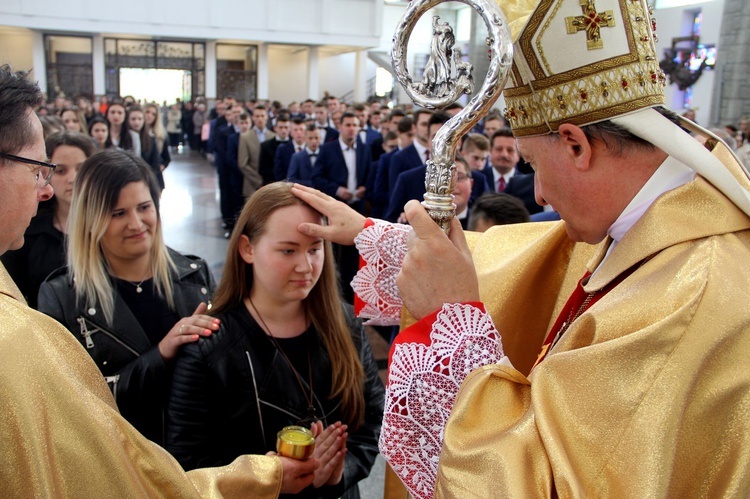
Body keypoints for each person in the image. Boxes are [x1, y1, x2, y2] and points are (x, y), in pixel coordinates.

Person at [289, 0, 750, 496]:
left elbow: (546, 483)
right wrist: (377, 235)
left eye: (531, 163)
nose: (539, 198)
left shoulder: (690, 292)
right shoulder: (656, 220)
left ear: (576, 145)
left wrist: (450, 320)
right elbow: (524, 259)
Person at [0, 64, 316, 497]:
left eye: (144, 207)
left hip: (196, 457)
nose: (137, 223)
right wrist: (161, 353)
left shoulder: (193, 275)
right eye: (117, 213)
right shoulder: (60, 295)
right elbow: (78, 408)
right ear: (93, 220)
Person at [166, 182, 384, 499]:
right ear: (247, 249)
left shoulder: (345, 323)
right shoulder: (208, 347)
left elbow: (373, 419)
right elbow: (187, 465)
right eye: (288, 250)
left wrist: (338, 472)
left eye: (314, 249)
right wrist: (260, 479)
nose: (305, 266)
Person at [1, 131, 95, 308]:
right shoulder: (26, 231)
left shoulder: (111, 224)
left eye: (81, 169)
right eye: (61, 170)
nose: (72, 179)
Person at [128, 105, 164, 190]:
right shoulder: (125, 138)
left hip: (150, 181)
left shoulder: (150, 138)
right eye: (133, 119)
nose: (137, 122)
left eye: (140, 119)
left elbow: (155, 162)